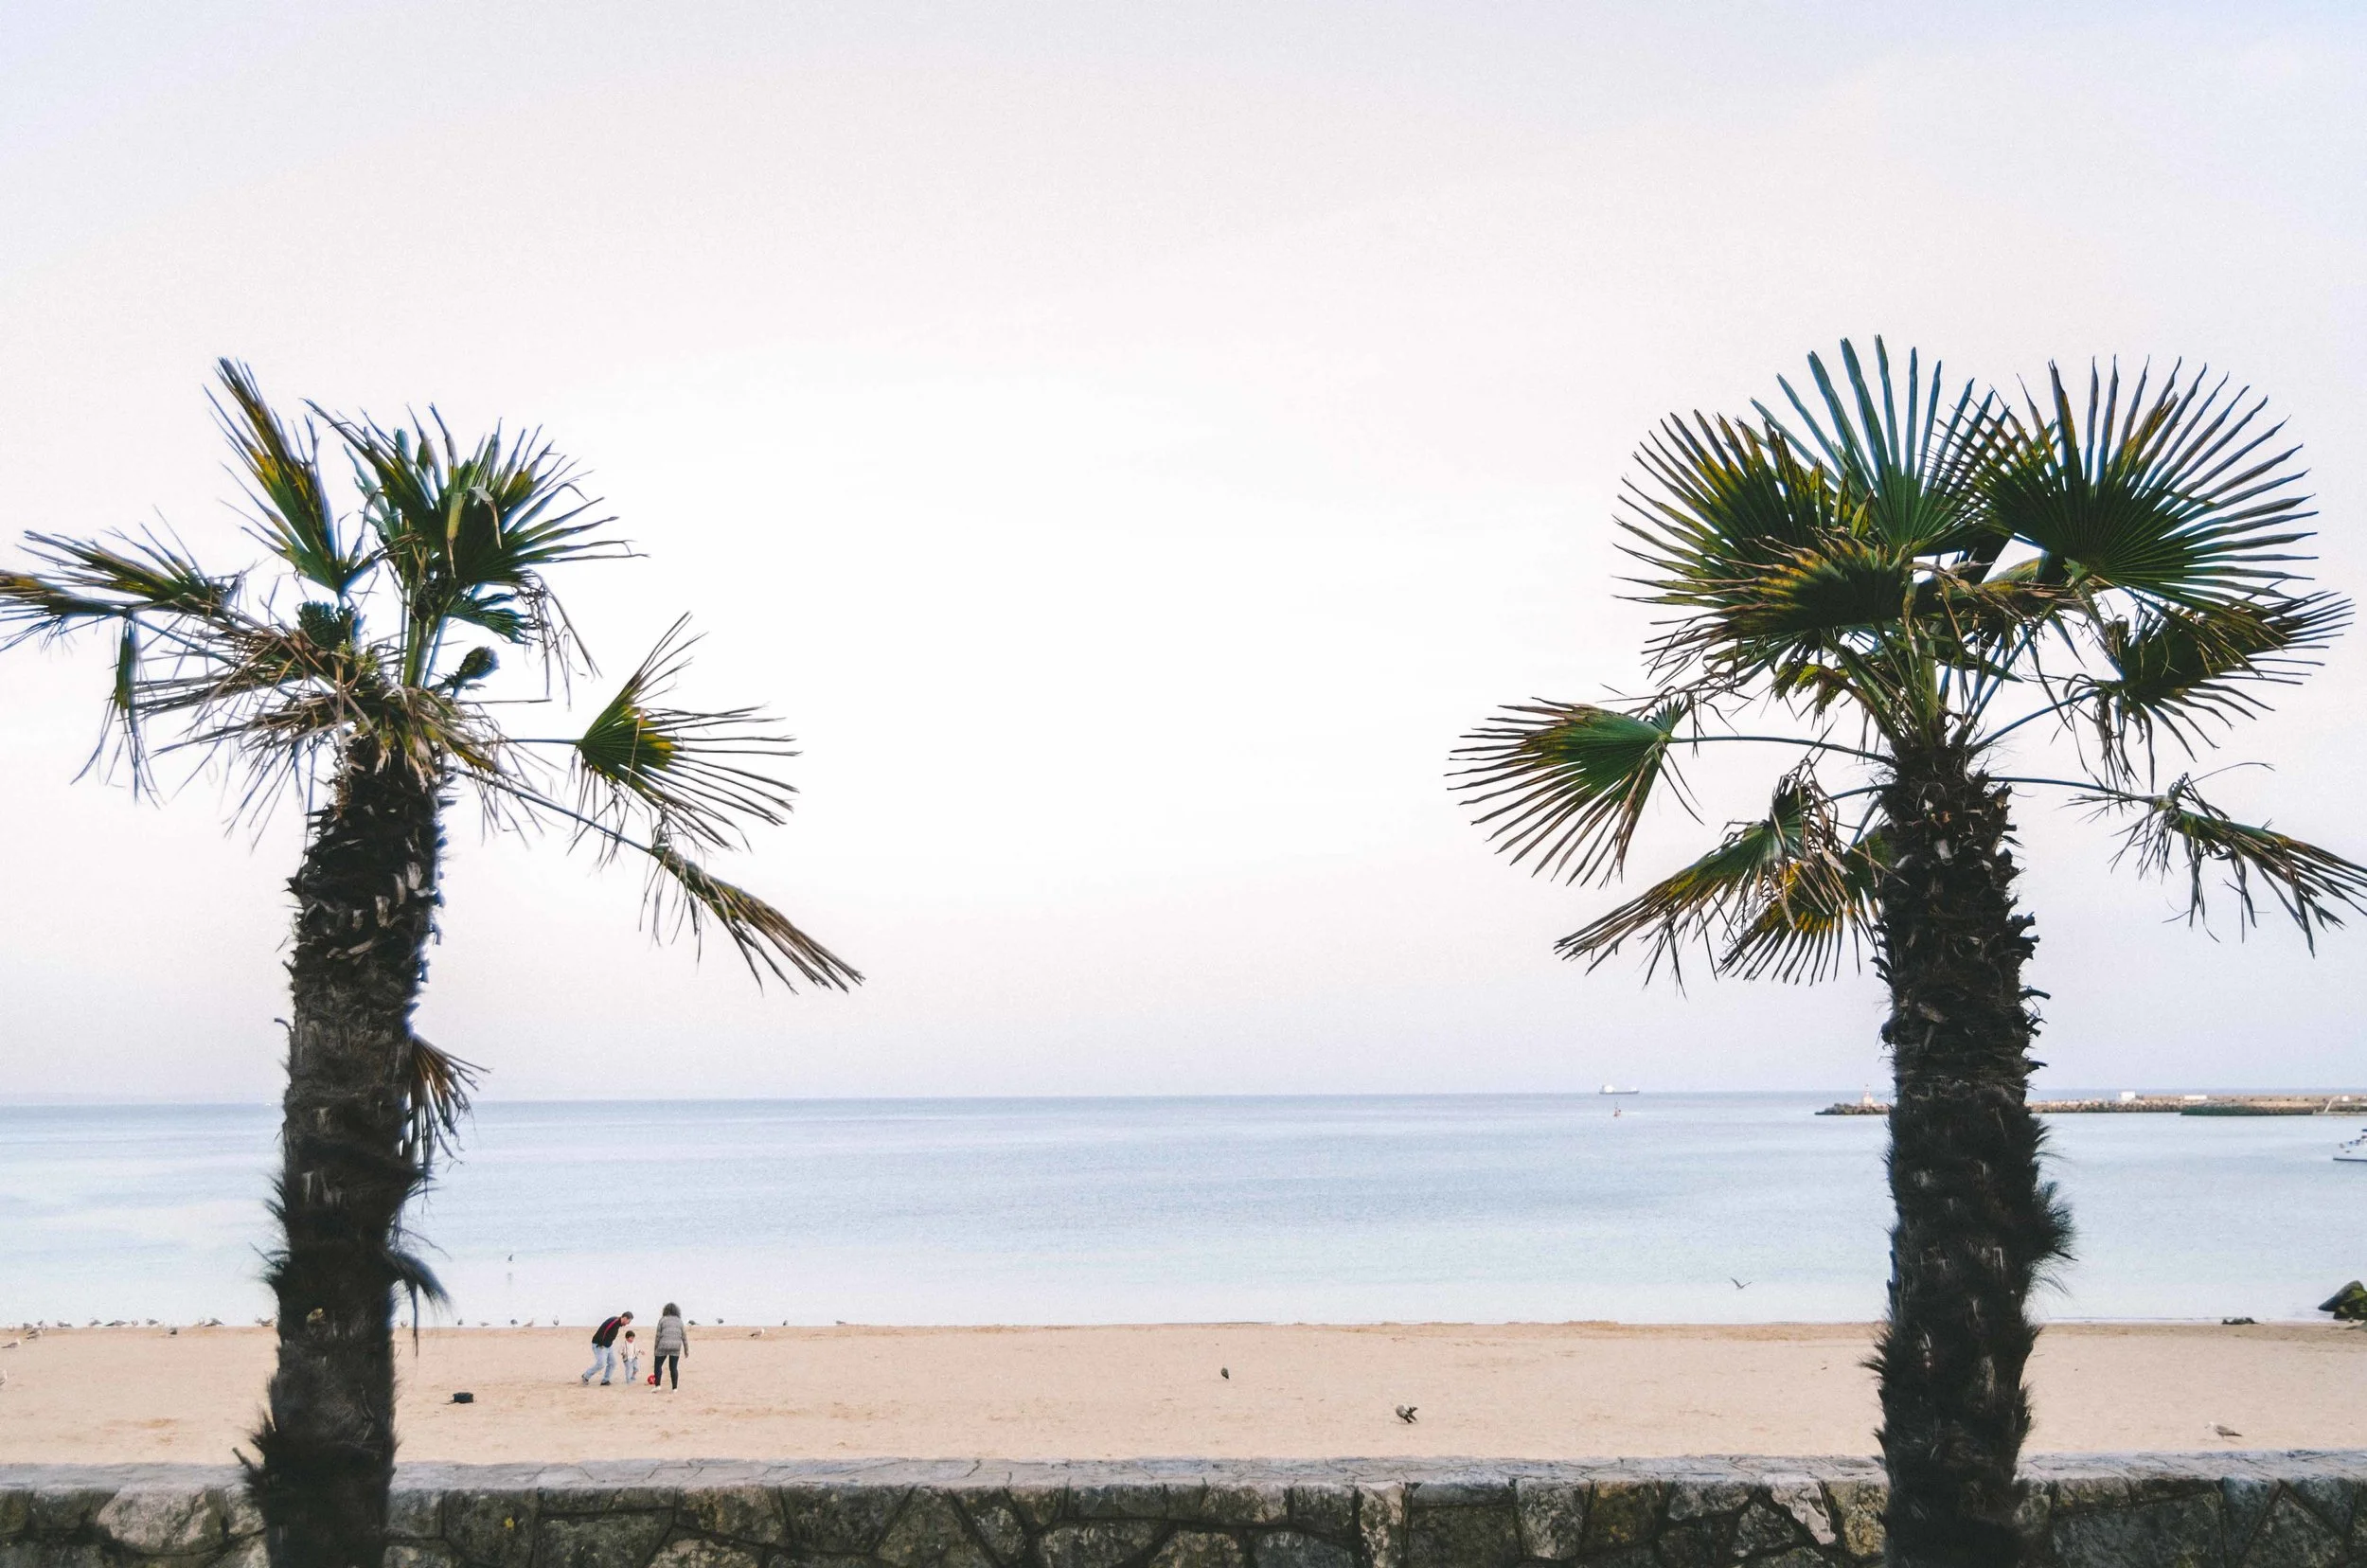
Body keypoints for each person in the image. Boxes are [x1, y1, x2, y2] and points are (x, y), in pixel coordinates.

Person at [580, 1310, 632, 1385]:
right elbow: (603, 1331)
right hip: (599, 1345)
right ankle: (586, 1376)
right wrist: (601, 1344)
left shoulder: (618, 1323)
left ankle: (605, 1381)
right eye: (628, 1321)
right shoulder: (614, 1322)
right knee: (601, 1363)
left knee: (613, 1363)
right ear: (625, 1318)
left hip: (608, 1346)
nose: (628, 1323)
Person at [650, 1302, 687, 1390]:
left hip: (663, 1345)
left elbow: (658, 1336)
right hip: (676, 1346)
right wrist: (686, 1350)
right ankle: (674, 1388)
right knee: (673, 1367)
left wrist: (655, 1348)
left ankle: (658, 1385)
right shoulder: (679, 1321)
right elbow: (684, 1337)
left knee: (658, 1365)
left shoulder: (662, 1320)